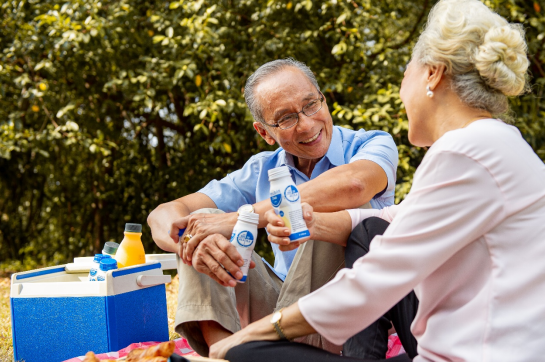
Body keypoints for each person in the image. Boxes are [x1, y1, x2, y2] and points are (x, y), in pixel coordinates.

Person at [208, 0, 545, 361]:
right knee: (367, 230)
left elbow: (377, 277)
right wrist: (315, 221)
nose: (401, 93)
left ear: (432, 74)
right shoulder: (492, 142)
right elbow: (394, 221)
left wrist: (255, 333)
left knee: (248, 354)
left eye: (405, 75)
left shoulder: (465, 152)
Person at [147, 58, 407, 358]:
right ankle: (221, 350)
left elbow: (355, 186)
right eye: (286, 118)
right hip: (275, 309)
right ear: (265, 133)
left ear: (324, 100)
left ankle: (261, 349)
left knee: (349, 210)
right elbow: (163, 215)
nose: (307, 124)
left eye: (311, 104)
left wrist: (240, 218)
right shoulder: (261, 169)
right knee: (200, 224)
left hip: (341, 320)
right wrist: (190, 241)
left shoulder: (371, 144)